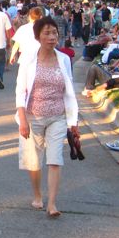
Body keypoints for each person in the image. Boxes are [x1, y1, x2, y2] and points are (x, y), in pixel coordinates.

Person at [15, 16, 79, 218]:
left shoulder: (64, 59)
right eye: (47, 33)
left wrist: (72, 122)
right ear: (38, 37)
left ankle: (52, 204)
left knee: (55, 159)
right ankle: (37, 195)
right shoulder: (28, 59)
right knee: (33, 162)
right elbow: (20, 91)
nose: (52, 37)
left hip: (57, 117)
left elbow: (69, 91)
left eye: (54, 33)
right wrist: (23, 119)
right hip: (33, 116)